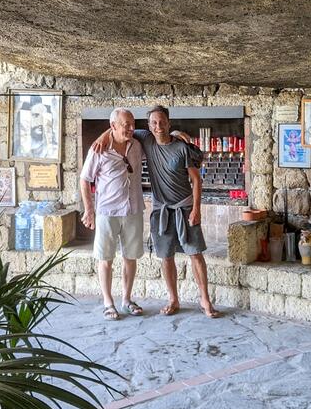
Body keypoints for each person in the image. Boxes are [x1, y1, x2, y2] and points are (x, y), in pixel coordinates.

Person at [94, 105, 221, 318]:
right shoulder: (146, 139)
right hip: (161, 210)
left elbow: (197, 179)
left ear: (169, 123)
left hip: (184, 207)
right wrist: (103, 136)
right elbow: (119, 127)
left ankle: (205, 300)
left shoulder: (181, 147)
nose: (158, 126)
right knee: (166, 256)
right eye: (153, 122)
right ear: (149, 126)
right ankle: (173, 299)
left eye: (162, 122)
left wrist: (196, 209)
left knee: (195, 254)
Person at [80, 108, 145, 320]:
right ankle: (108, 303)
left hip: (133, 209)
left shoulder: (137, 144)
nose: (131, 128)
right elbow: (85, 179)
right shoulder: (99, 150)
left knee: (130, 257)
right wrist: (89, 209)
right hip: (107, 211)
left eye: (133, 123)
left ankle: (126, 300)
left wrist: (175, 134)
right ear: (113, 126)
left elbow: (158, 134)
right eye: (126, 124)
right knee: (105, 258)